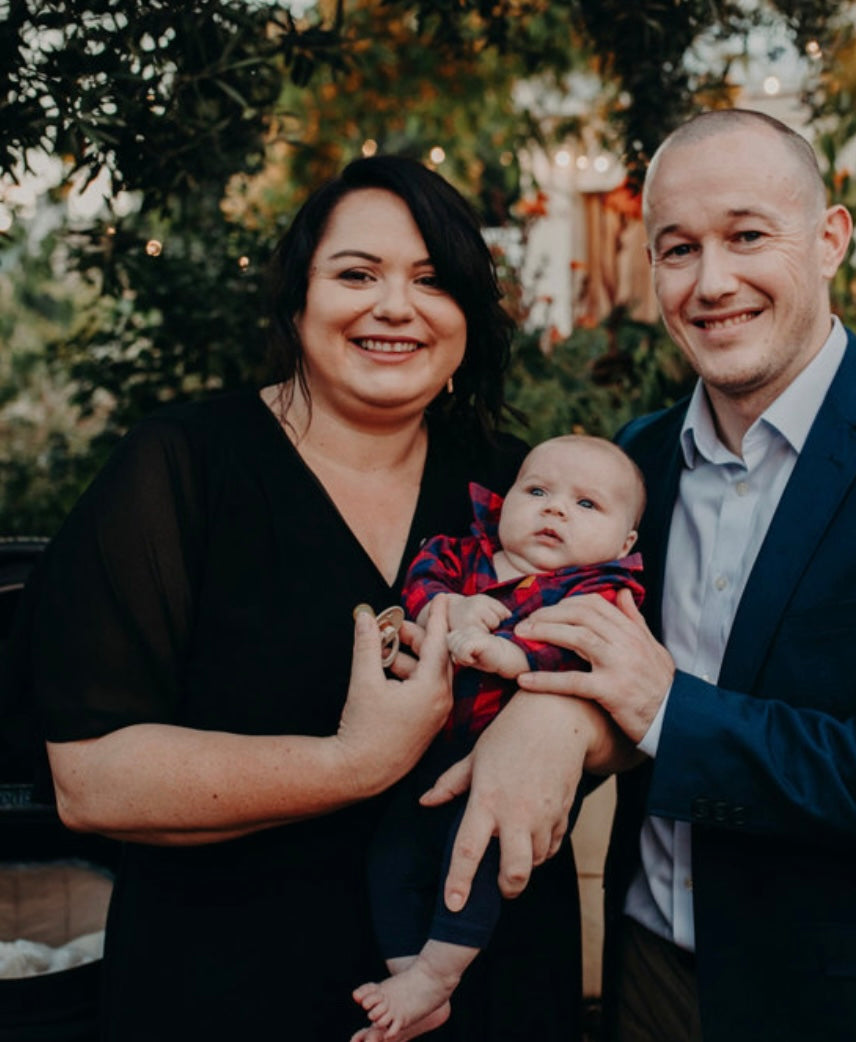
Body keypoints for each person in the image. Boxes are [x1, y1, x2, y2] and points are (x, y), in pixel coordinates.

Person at [22, 154, 620, 1042]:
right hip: (232, 987)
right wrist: (354, 762)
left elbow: (635, 698)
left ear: (466, 319)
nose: (395, 306)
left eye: (431, 281)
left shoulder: (522, 489)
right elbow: (89, 780)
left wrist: (566, 726)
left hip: (488, 991)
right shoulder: (182, 469)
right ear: (297, 300)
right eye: (356, 274)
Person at [508, 108, 856, 1042]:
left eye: (748, 236)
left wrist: (675, 711)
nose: (712, 282)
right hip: (646, 984)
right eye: (679, 249)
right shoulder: (633, 470)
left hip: (853, 1005)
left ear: (830, 237)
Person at [352, 434, 646, 1042]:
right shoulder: (461, 554)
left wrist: (515, 655)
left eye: (586, 504)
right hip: (424, 761)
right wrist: (449, 612)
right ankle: (412, 976)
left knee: (476, 864)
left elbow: (590, 660)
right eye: (537, 490)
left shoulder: (598, 592)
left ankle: (438, 973)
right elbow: (421, 585)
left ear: (624, 544)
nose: (556, 508)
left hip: (508, 775)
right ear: (505, 499)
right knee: (391, 859)